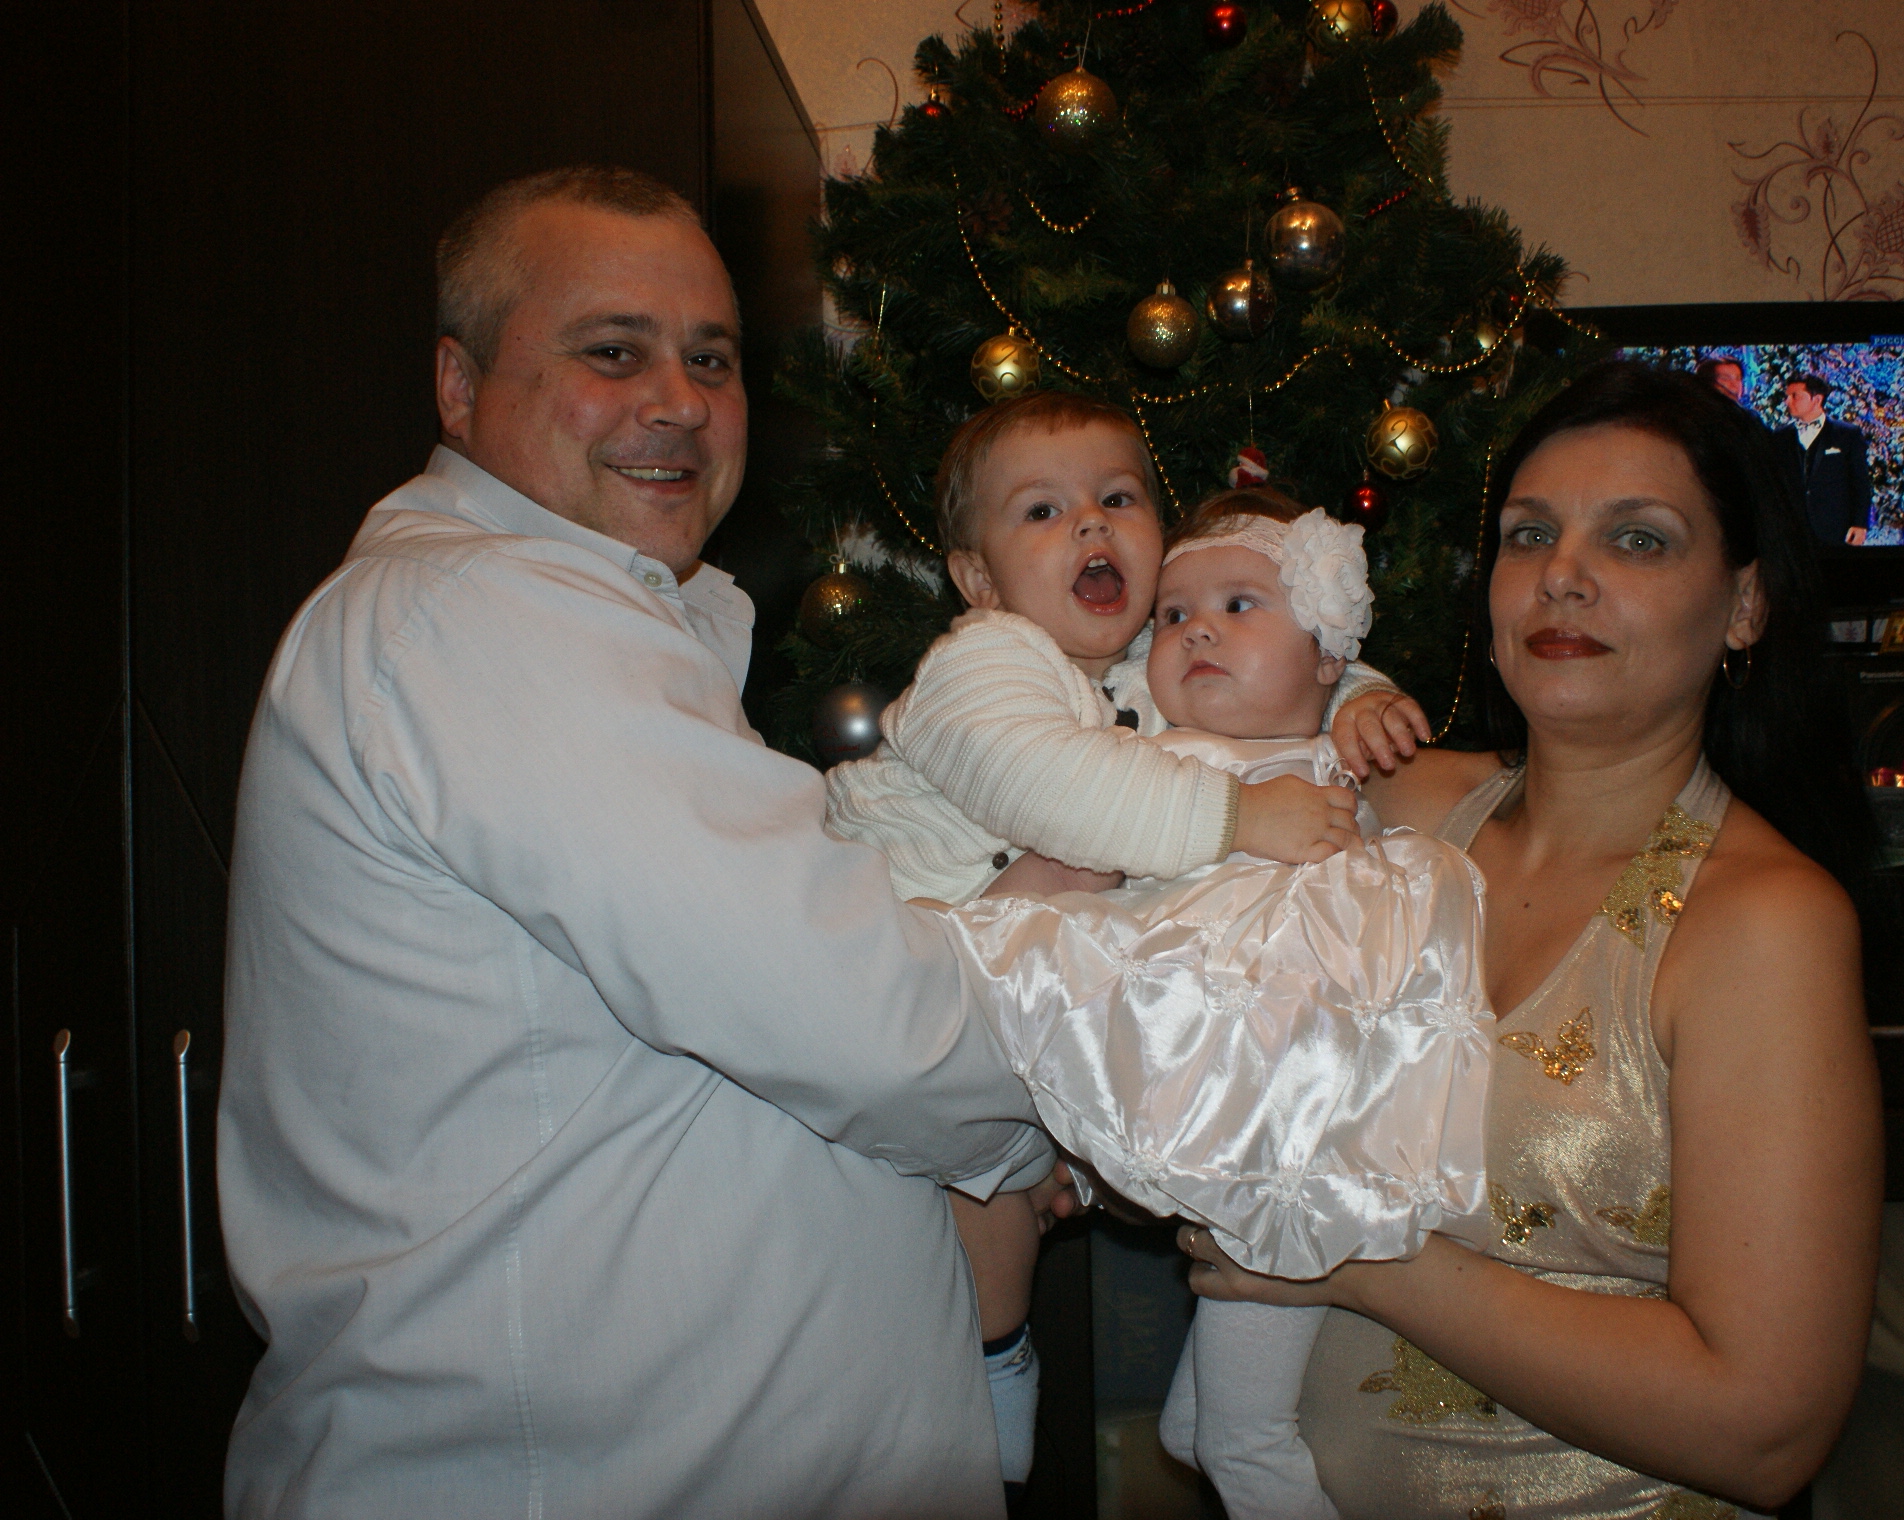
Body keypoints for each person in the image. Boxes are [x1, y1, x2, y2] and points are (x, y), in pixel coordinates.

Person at [217, 166, 1074, 1519]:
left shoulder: (575, 624)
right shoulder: (488, 616)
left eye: (711, 358)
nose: (678, 400)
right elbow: (870, 1023)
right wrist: (1075, 1102)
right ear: (458, 386)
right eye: (612, 352)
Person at [1176, 361, 1885, 1517]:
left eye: (1636, 539)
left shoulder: (1761, 924)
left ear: (1744, 604)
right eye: (1529, 534)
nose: (1562, 574)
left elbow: (1764, 1426)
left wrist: (1354, 1256)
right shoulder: (1380, 807)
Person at [821, 394, 1431, 1489]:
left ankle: (1010, 1359)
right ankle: (992, 1364)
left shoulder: (1134, 661)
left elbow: (1267, 660)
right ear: (977, 578)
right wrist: (1242, 817)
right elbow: (1057, 787)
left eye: (1116, 498)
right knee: (974, 1192)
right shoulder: (985, 658)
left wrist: (1356, 695)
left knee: (1010, 1177)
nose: (1090, 526)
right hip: (907, 953)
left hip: (1017, 968)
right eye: (1043, 511)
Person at [914, 489, 1492, 1518]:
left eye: (1237, 604)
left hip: (1293, 1085)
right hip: (1180, 1046)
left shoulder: (1337, 757)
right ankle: (1151, 1397)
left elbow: (1326, 681)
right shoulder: (1137, 745)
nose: (1197, 631)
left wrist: (1361, 696)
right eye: (1174, 614)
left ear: (1327, 649)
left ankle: (1231, 1431)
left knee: (1274, 1242)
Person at [1780, 374, 1874, 546]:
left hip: (1836, 531)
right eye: (1787, 396)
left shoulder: (1847, 434)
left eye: (1795, 396)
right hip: (1792, 532)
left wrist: (1860, 524)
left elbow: (1860, 482)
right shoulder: (1781, 436)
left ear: (1817, 399)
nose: (1787, 401)